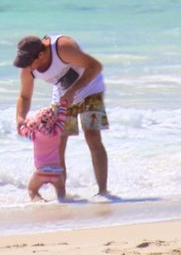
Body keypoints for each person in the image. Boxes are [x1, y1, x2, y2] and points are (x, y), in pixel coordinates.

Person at [13, 33, 112, 199]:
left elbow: (95, 67)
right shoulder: (27, 68)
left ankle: (103, 192)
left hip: (91, 88)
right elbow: (24, 96)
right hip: (62, 95)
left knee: (92, 136)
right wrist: (20, 118)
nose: (28, 67)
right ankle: (62, 196)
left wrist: (74, 90)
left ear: (41, 54)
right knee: (58, 141)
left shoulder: (63, 48)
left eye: (30, 63)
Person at [19, 101, 69, 201]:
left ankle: (39, 201)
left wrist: (24, 123)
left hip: (41, 171)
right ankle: (62, 201)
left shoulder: (35, 135)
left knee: (32, 190)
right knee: (61, 189)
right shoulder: (57, 132)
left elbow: (22, 130)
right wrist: (63, 106)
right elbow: (62, 120)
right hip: (57, 171)